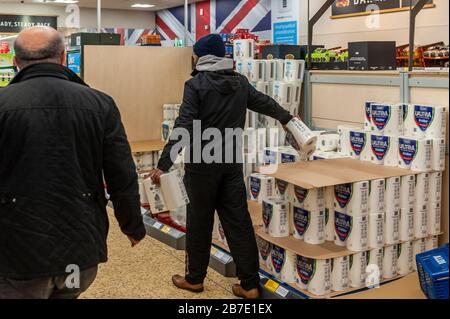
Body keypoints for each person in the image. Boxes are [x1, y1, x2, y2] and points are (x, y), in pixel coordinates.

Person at [0, 27, 146, 299]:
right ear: (64, 57)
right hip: (80, 247)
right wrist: (132, 226)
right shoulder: (100, 103)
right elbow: (121, 174)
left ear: (16, 62)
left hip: (17, 252)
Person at [150, 34, 293, 299]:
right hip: (230, 163)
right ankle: (250, 284)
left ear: (202, 56)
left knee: (200, 222)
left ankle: (195, 279)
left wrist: (164, 163)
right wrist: (287, 119)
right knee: (237, 221)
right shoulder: (240, 83)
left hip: (202, 164)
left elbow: (183, 125)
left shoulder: (196, 84)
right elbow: (264, 102)